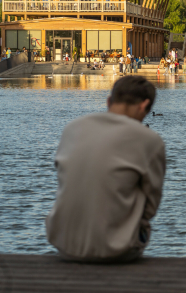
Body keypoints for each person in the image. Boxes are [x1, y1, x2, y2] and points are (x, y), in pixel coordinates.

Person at [46, 76, 166, 263]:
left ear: (109, 101)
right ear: (144, 106)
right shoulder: (149, 140)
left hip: (63, 245)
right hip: (116, 250)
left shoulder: (73, 128)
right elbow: (151, 204)